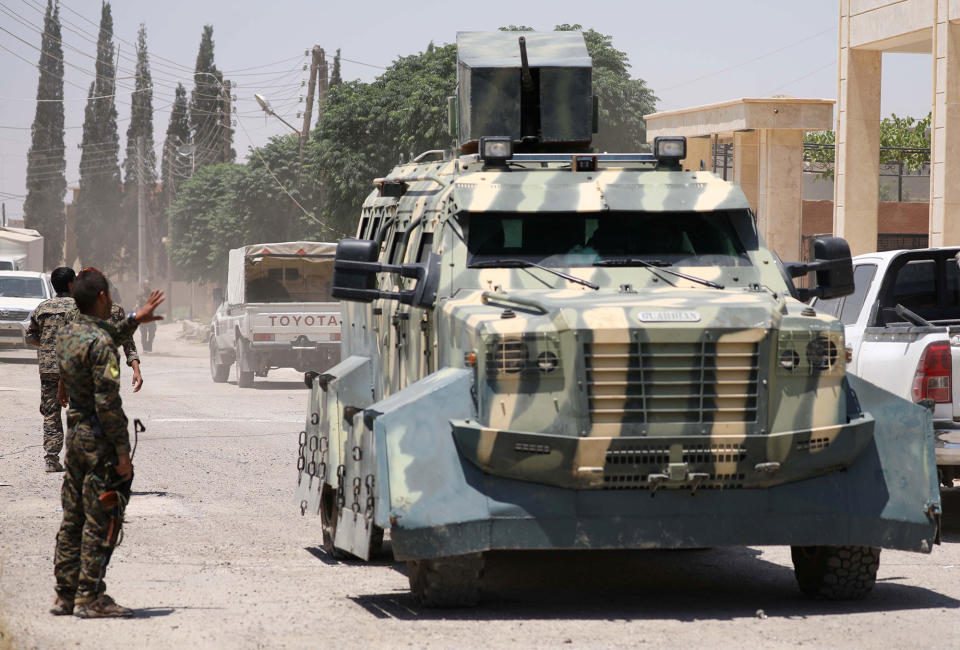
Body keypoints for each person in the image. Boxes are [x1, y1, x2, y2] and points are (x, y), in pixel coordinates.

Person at [51, 268, 164, 618]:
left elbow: (104, 334)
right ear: (102, 297)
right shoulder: (99, 344)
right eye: (110, 296)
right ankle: (91, 597)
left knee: (73, 517)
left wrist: (134, 319)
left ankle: (66, 594)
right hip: (99, 440)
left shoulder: (68, 334)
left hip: (75, 438)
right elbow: (108, 404)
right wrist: (121, 453)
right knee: (103, 515)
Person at [25, 267, 77, 472]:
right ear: (72, 285)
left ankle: (51, 460)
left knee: (50, 413)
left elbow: (30, 337)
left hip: (49, 370)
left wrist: (48, 345)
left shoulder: (42, 308)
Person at [137, 283, 157, 352]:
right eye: (146, 284)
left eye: (148, 284)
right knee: (143, 332)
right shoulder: (140, 296)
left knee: (152, 331)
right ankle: (145, 347)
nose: (147, 285)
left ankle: (149, 345)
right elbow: (139, 306)